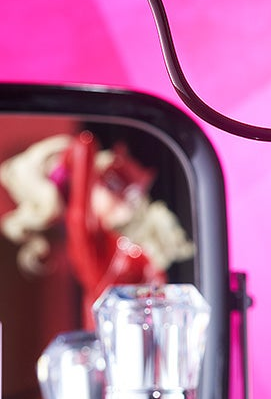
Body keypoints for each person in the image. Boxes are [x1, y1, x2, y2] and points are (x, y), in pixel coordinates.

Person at [0, 131, 195, 328]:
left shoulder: (129, 239)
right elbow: (85, 144)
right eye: (109, 184)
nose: (126, 195)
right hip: (121, 335)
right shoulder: (85, 242)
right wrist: (71, 163)